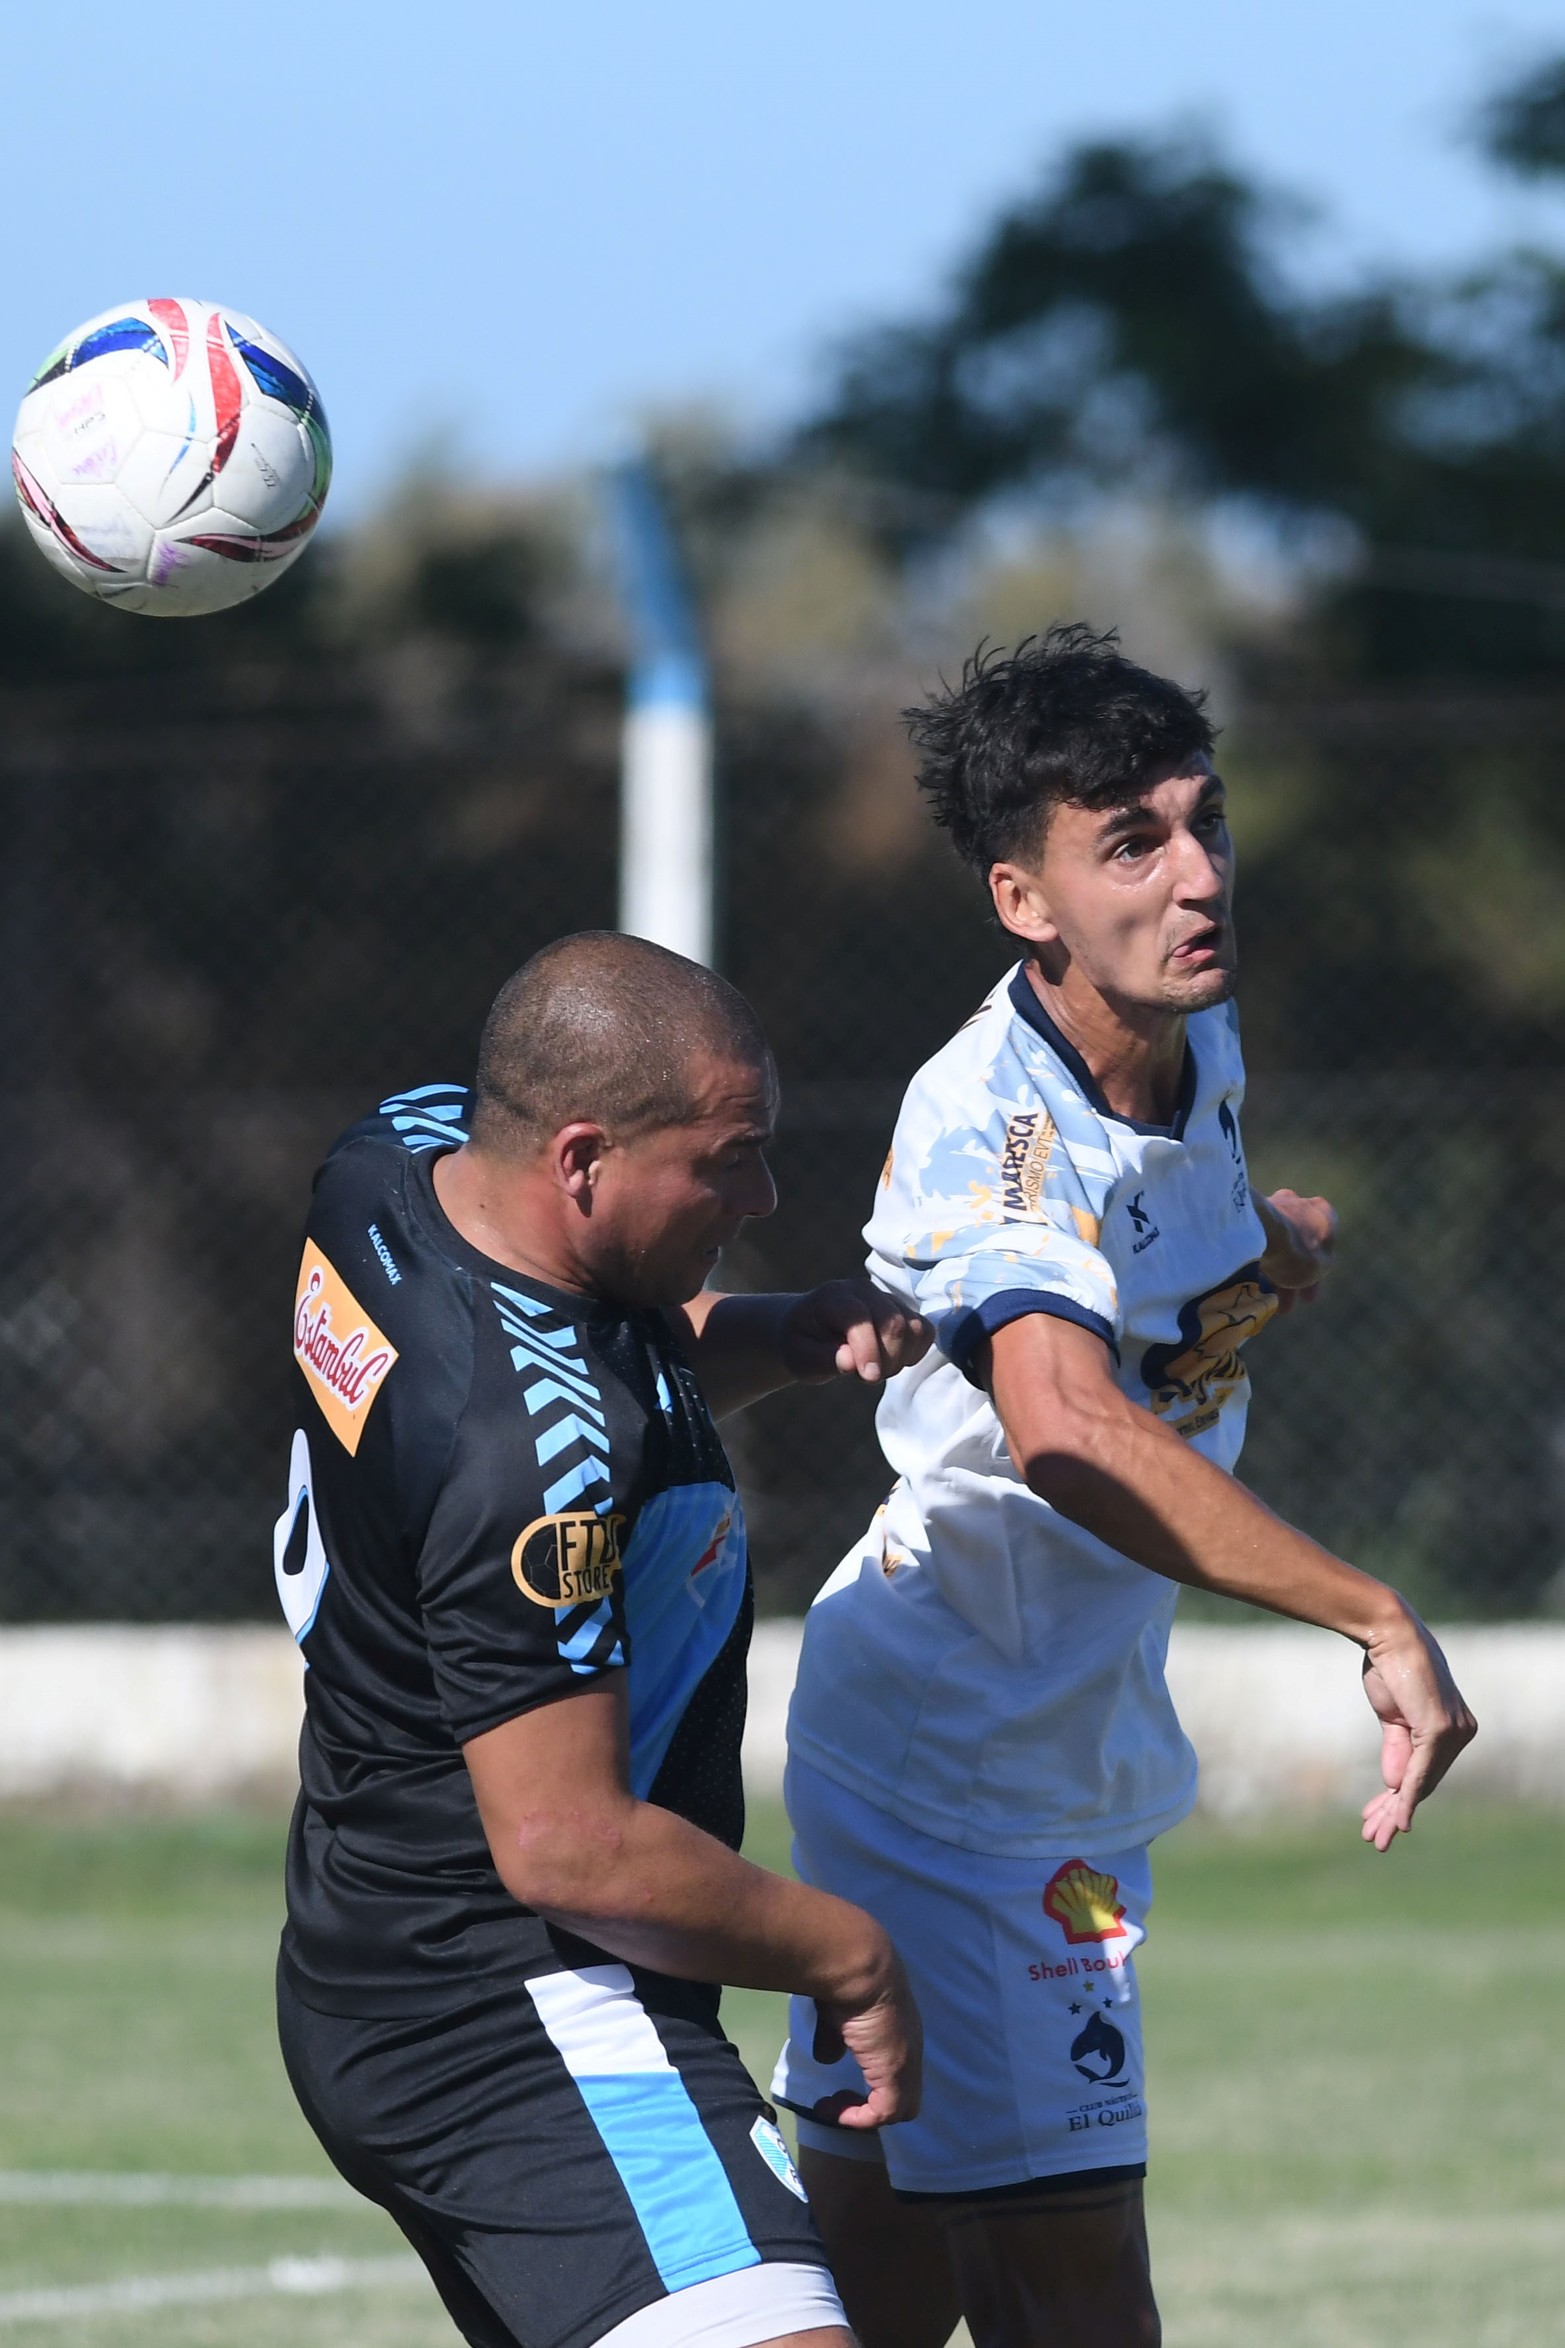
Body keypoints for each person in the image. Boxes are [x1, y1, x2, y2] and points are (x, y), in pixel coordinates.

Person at [769, 627, 1477, 2348]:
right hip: (966, 1770)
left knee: (883, 2272)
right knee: (1078, 2295)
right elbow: (1069, 1430)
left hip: (1043, 1740)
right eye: (1132, 845)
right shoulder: (989, 1127)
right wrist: (1369, 1611)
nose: (1197, 877)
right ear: (1025, 901)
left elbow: (1165, 1270)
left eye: (1203, 821)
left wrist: (1269, 1247)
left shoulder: (1186, 1044)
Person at [273, 929, 931, 2348]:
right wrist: (848, 1954)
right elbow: (567, 1844)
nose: (761, 1196)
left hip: (371, 1944)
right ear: (577, 1161)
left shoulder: (394, 1158)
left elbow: (571, 1352)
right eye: (726, 1159)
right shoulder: (528, 1467)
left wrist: (765, 1332)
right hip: (526, 2009)